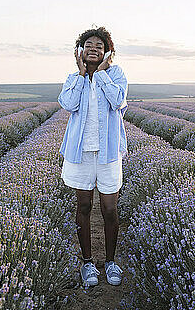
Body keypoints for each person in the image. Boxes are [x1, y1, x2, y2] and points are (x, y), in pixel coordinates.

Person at [57, 26, 128, 287]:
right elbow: (68, 104)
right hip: (81, 153)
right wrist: (81, 73)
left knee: (109, 209)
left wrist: (100, 75)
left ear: (107, 51)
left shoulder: (116, 74)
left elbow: (119, 101)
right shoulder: (74, 78)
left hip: (108, 153)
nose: (93, 48)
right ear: (80, 50)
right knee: (84, 207)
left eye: (99, 45)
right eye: (88, 44)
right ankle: (88, 263)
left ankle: (110, 261)